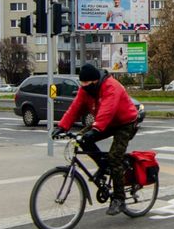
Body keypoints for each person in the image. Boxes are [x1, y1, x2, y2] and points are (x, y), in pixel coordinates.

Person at [54, 63, 141, 215]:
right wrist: (62, 126)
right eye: (82, 84)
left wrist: (95, 129)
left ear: (94, 81)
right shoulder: (86, 89)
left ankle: (119, 199)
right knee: (83, 139)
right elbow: (75, 107)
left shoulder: (111, 86)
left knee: (115, 157)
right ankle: (104, 166)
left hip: (125, 123)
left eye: (86, 84)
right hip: (107, 122)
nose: (83, 87)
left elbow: (107, 110)